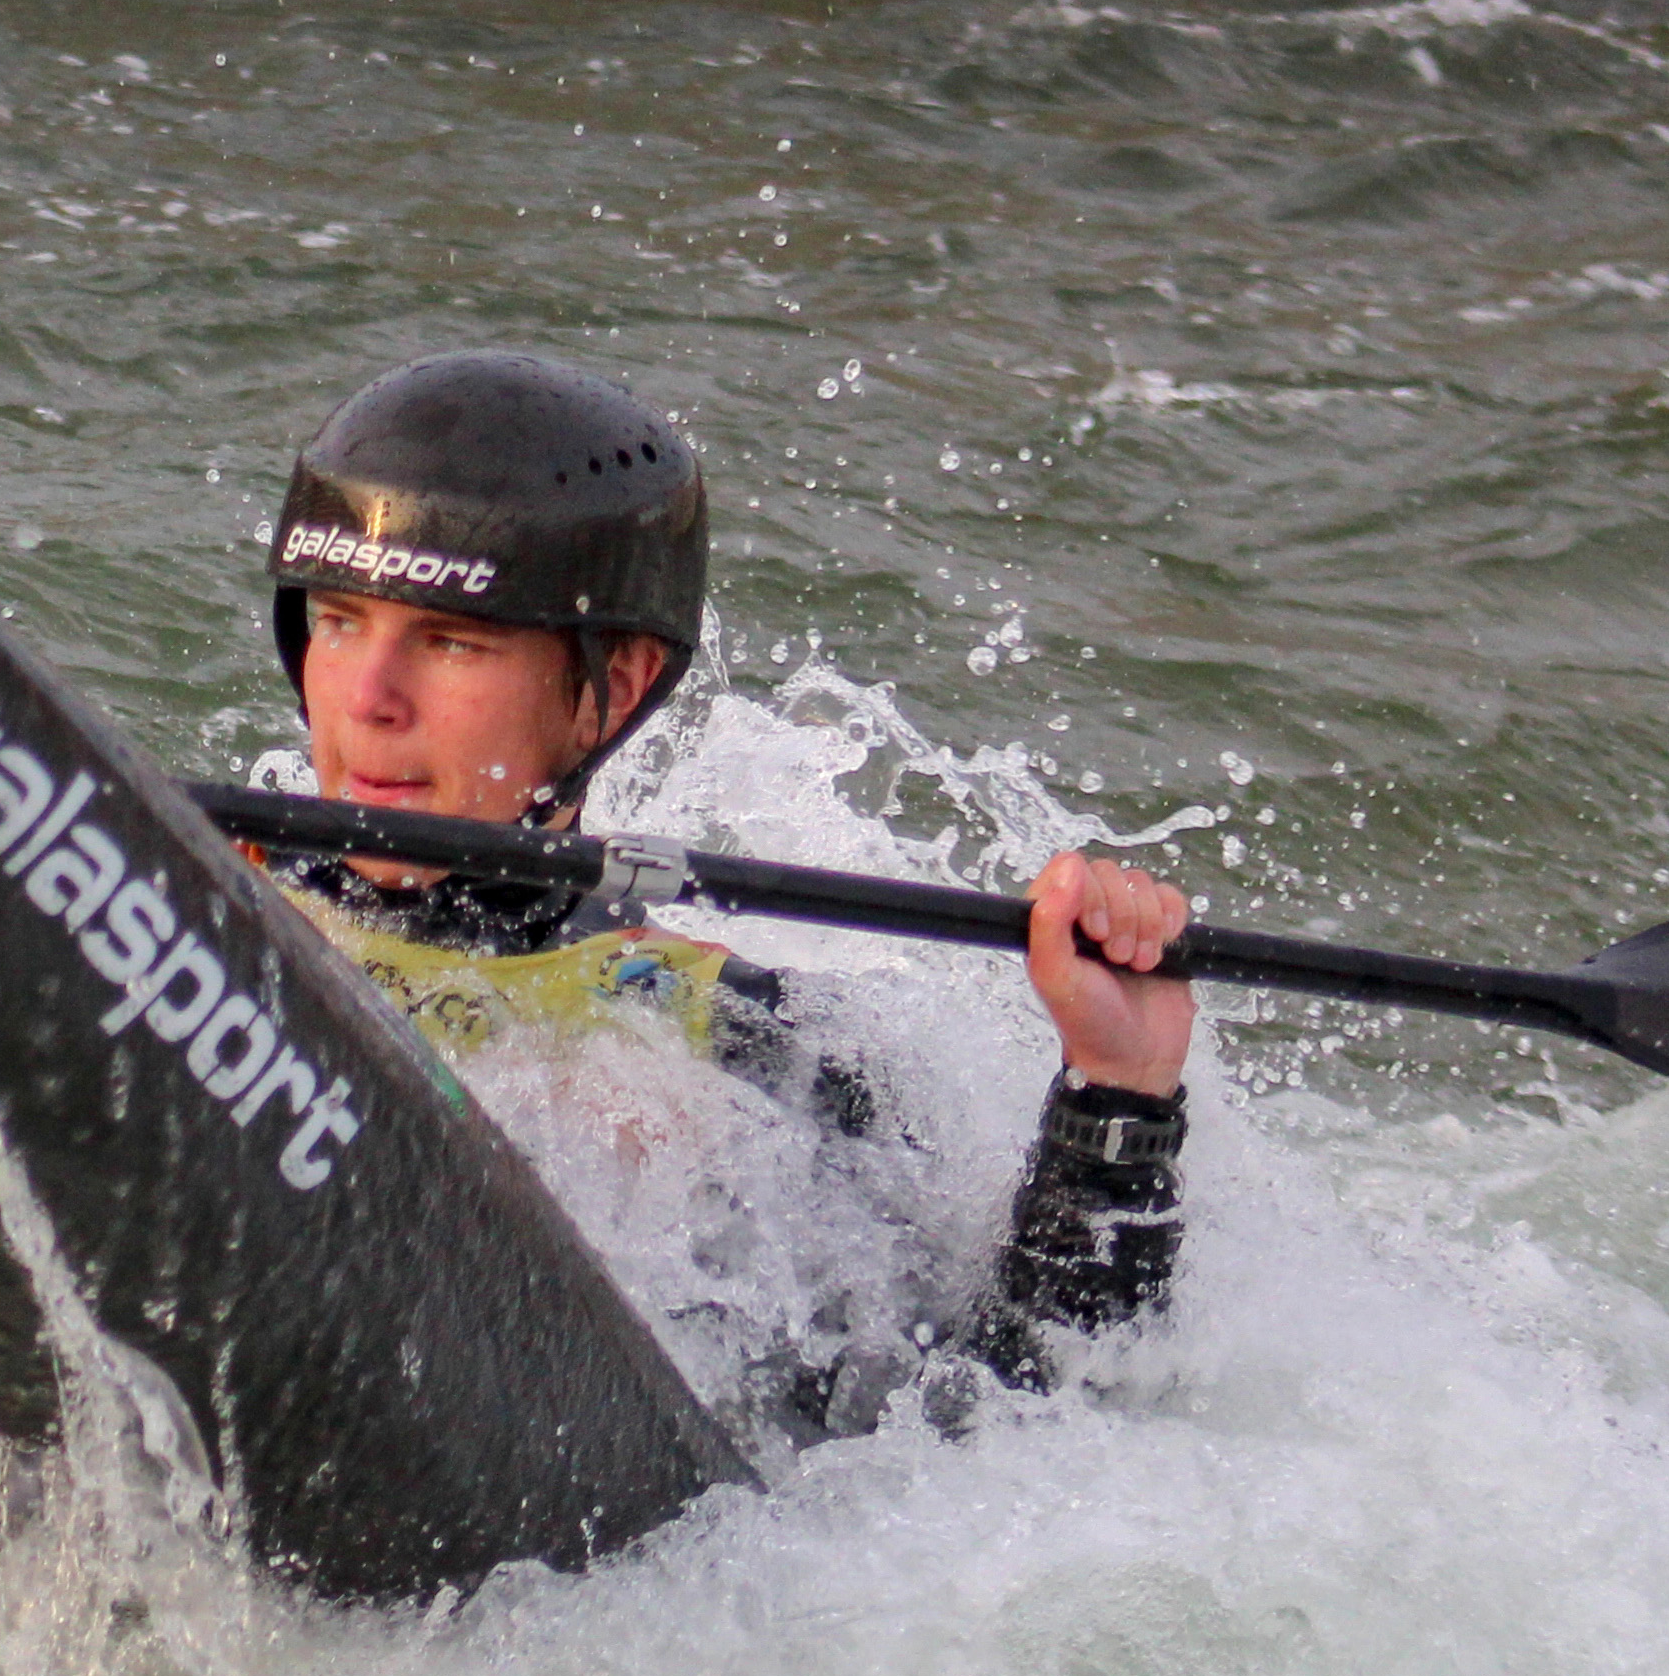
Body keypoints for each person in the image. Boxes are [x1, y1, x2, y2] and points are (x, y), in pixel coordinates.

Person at [248, 349, 1191, 1383]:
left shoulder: (735, 1059)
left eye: (451, 642)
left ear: (611, 688)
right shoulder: (196, 889)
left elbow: (1001, 1408)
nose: (368, 698)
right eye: (339, 623)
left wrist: (1119, 1096)